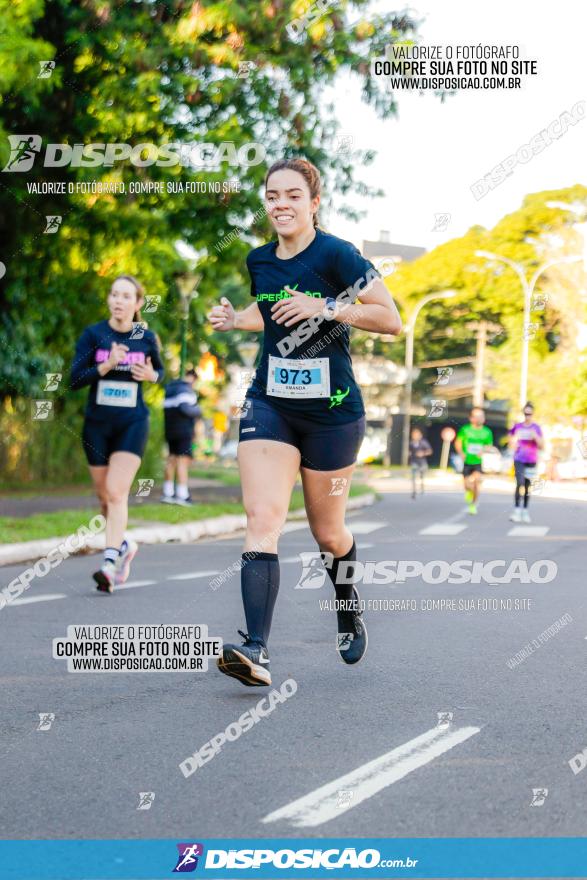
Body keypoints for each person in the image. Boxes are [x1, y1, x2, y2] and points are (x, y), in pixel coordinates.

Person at [208, 157, 402, 687]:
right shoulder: (259, 260)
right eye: (273, 196)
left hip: (333, 413)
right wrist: (235, 320)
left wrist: (326, 307)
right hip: (270, 402)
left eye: (293, 195)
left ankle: (346, 602)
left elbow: (390, 319)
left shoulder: (337, 254)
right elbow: (269, 313)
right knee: (263, 518)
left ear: (314, 203)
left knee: (328, 531)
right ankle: (255, 649)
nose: (281, 205)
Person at [70, 275, 164, 592]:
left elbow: (160, 372)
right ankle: (123, 544)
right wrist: (106, 365)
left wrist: (152, 375)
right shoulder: (94, 334)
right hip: (96, 425)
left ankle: (108, 564)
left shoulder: (146, 337)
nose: (118, 301)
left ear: (137, 303)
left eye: (125, 296)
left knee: (116, 492)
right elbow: (74, 379)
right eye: (114, 295)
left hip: (132, 424)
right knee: (103, 497)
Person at [161, 369, 201, 506]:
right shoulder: (185, 389)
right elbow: (186, 409)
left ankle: (168, 493)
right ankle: (182, 495)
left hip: (170, 430)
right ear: (192, 378)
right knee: (183, 462)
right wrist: (198, 410)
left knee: (171, 460)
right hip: (184, 431)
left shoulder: (169, 388)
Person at [454, 406, 495, 515]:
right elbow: (458, 442)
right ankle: (469, 492)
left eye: (481, 416)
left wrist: (483, 450)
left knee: (477, 481)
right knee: (467, 485)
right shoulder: (465, 430)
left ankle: (473, 504)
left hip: (478, 462)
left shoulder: (487, 432)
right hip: (467, 461)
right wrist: (461, 453)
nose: (479, 418)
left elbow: (489, 445)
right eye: (477, 416)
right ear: (471, 418)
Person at [508, 402, 544, 523]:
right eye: (525, 413)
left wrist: (535, 437)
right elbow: (510, 443)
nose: (527, 416)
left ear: (532, 414)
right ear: (523, 413)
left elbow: (542, 446)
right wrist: (514, 440)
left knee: (528, 486)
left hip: (531, 460)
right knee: (520, 483)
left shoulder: (536, 428)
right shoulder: (517, 427)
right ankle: (517, 510)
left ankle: (525, 511)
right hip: (519, 459)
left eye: (529, 414)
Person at [408, 427, 433, 499]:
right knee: (413, 477)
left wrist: (423, 453)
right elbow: (410, 452)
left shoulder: (423, 443)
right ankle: (414, 491)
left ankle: (422, 489)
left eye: (416, 434)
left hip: (422, 462)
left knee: (422, 476)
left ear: (420, 435)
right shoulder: (411, 443)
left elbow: (430, 451)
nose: (415, 436)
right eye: (413, 434)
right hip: (414, 462)